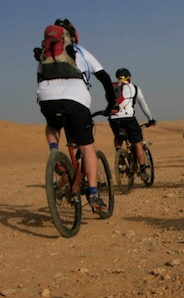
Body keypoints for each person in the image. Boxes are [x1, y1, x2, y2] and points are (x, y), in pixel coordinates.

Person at [36, 18, 116, 213]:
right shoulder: (80, 51)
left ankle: (55, 154)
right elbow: (104, 77)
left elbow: (39, 79)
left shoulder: (45, 55)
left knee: (53, 126)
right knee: (87, 147)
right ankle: (94, 193)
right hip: (75, 99)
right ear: (72, 36)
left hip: (47, 98)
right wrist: (111, 102)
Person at [109, 68, 156, 183]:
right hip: (129, 118)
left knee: (118, 137)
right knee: (138, 143)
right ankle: (143, 169)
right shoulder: (134, 88)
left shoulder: (112, 88)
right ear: (129, 77)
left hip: (114, 119)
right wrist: (150, 119)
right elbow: (143, 105)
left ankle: (120, 155)